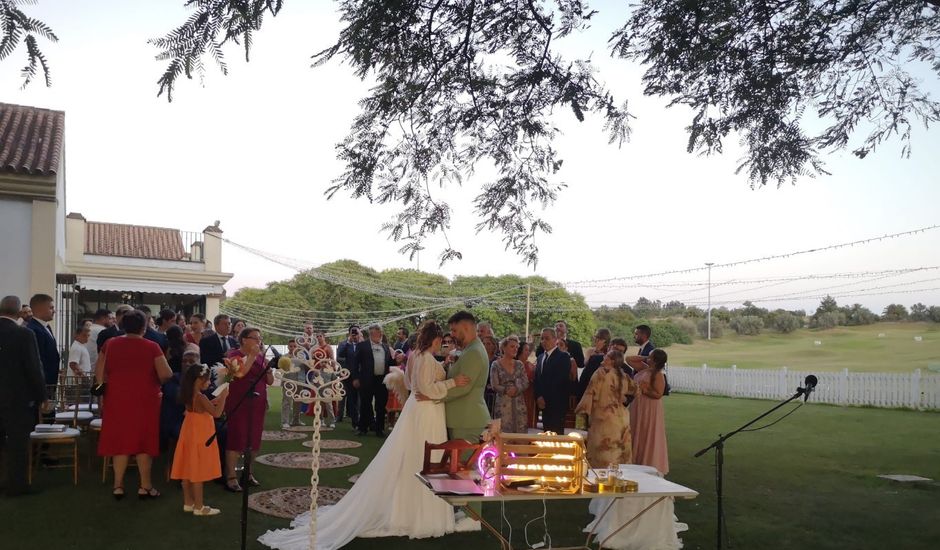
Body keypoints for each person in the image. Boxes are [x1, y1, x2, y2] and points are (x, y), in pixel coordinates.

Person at [258, 320, 472, 549]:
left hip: (416, 410)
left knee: (411, 458)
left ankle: (407, 508)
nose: (443, 345)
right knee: (424, 458)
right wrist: (452, 382)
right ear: (436, 339)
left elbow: (411, 383)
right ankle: (420, 513)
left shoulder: (415, 357)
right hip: (427, 412)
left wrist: (433, 381)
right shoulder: (427, 358)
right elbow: (427, 389)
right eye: (442, 341)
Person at [96, 309, 173, 499]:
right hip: (145, 399)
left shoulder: (110, 344)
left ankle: (118, 486)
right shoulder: (152, 346)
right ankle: (145, 486)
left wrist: (102, 394)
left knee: (120, 442)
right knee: (143, 442)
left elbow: (99, 373)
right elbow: (166, 374)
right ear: (143, 327)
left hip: (116, 398)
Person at [0, 296, 47, 497]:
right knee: (18, 443)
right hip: (16, 397)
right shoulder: (23, 334)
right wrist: (42, 395)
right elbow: (33, 368)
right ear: (19, 312)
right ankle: (16, 485)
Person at [171, 363, 229, 516]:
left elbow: (203, 408)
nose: (209, 383)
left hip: (189, 432)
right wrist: (223, 398)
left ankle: (188, 502)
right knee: (197, 470)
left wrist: (212, 403)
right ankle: (199, 506)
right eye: (207, 380)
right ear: (198, 380)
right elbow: (216, 414)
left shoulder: (189, 394)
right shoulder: (201, 396)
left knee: (187, 467)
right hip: (200, 434)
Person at [223, 327, 273, 492]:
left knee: (254, 439)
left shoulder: (261, 357)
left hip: (257, 402)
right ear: (244, 339)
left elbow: (270, 381)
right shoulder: (233, 355)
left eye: (260, 338)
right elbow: (239, 374)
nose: (259, 341)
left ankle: (248, 473)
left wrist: (269, 367)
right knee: (237, 437)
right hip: (239, 401)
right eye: (255, 338)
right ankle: (230, 476)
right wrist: (252, 356)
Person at [575, 349, 637, 468]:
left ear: (612, 361)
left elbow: (589, 393)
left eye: (606, 357)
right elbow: (636, 390)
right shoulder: (624, 375)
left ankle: (601, 477)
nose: (604, 358)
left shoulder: (600, 374)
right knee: (619, 451)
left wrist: (581, 412)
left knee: (603, 452)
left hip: (603, 419)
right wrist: (625, 399)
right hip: (622, 419)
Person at [630, 349, 669, 476]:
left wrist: (644, 390)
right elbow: (629, 359)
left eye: (651, 357)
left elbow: (658, 394)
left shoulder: (658, 374)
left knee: (647, 431)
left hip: (650, 407)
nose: (648, 358)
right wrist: (647, 356)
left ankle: (650, 461)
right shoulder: (645, 369)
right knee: (637, 430)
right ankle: (637, 459)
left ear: (656, 360)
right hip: (639, 405)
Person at [350, 325, 395, 437]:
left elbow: (389, 363)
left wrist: (397, 361)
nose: (376, 335)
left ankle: (379, 429)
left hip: (381, 380)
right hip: (366, 379)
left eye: (378, 333)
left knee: (380, 405)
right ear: (370, 334)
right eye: (374, 333)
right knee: (365, 404)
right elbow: (355, 363)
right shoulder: (362, 346)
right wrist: (355, 378)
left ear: (381, 334)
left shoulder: (385, 347)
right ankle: (362, 428)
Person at [534, 328, 572, 434]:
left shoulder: (563, 357)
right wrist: (538, 396)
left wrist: (545, 397)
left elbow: (559, 380)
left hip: (556, 404)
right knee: (546, 435)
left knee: (556, 435)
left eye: (547, 338)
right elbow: (537, 379)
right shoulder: (541, 357)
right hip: (543, 404)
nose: (544, 341)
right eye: (542, 339)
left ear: (555, 339)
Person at [489, 335, 529, 433]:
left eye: (516, 347)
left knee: (520, 435)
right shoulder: (496, 364)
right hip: (503, 405)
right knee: (503, 436)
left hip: (519, 405)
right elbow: (494, 384)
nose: (515, 349)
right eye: (512, 346)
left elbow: (525, 382)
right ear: (504, 347)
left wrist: (517, 389)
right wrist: (506, 390)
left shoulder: (519, 364)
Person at [26, 294, 59, 388]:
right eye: (51, 308)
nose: (54, 311)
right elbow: (37, 359)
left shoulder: (46, 326)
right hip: (41, 383)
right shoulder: (33, 329)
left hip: (50, 382)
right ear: (40, 309)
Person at [306, 331, 337, 427]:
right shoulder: (314, 348)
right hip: (317, 374)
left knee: (327, 399)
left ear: (324, 337)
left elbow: (332, 360)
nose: (319, 337)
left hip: (327, 374)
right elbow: (311, 361)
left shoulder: (328, 347)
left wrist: (333, 371)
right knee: (318, 398)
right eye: (317, 336)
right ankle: (320, 419)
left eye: (320, 336)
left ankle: (332, 421)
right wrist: (313, 369)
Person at [335, 325, 361, 426]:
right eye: (352, 332)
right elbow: (339, 356)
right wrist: (349, 342)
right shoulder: (344, 344)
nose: (354, 334)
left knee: (358, 398)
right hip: (345, 374)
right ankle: (340, 415)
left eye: (356, 332)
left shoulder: (362, 344)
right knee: (344, 396)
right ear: (349, 333)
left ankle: (356, 417)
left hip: (358, 375)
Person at [280, 339, 308, 430]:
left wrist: (305, 361)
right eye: (291, 346)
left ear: (297, 347)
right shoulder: (284, 357)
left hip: (299, 381)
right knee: (286, 402)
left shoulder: (302, 356)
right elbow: (280, 368)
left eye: (294, 346)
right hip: (287, 381)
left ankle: (296, 420)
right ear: (288, 347)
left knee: (298, 401)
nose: (292, 348)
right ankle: (285, 422)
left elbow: (308, 368)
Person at [578, 328, 612, 401]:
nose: (596, 340)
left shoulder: (609, 353)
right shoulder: (590, 350)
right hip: (587, 380)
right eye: (596, 337)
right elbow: (585, 363)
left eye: (599, 339)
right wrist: (596, 351)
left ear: (605, 341)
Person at [517, 341, 538, 428]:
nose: (528, 352)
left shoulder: (531, 366)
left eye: (529, 350)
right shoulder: (513, 364)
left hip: (529, 397)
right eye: (526, 350)